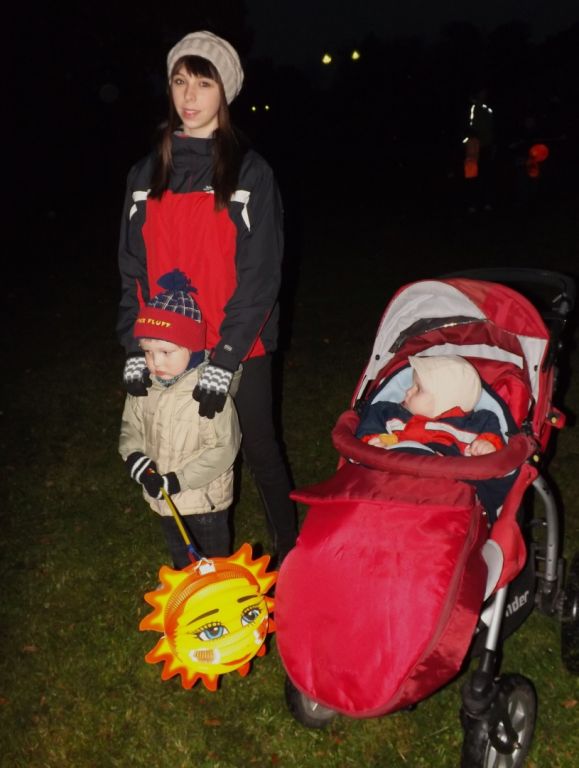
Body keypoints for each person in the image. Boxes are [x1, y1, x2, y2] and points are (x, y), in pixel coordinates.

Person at [116, 30, 297, 562]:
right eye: (180, 82)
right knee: (181, 450)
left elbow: (261, 275)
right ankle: (201, 569)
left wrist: (226, 357)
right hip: (169, 347)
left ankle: (292, 554)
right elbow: (131, 267)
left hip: (239, 343)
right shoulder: (144, 175)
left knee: (258, 449)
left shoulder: (251, 174)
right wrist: (133, 345)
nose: (189, 96)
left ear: (225, 91)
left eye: (203, 83)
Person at [119, 270, 241, 568]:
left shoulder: (208, 393)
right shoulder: (145, 385)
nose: (155, 362)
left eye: (165, 351)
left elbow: (224, 448)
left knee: (213, 568)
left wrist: (178, 481)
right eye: (147, 352)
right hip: (165, 500)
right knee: (182, 563)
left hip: (204, 502)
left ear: (193, 349)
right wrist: (134, 457)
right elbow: (130, 428)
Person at [356, 355, 510, 519]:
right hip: (392, 476)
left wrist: (487, 445)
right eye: (411, 385)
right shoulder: (389, 412)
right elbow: (369, 426)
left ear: (446, 400)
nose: (407, 391)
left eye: (418, 389)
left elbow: (494, 444)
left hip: (443, 488)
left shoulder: (472, 425)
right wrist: (373, 442)